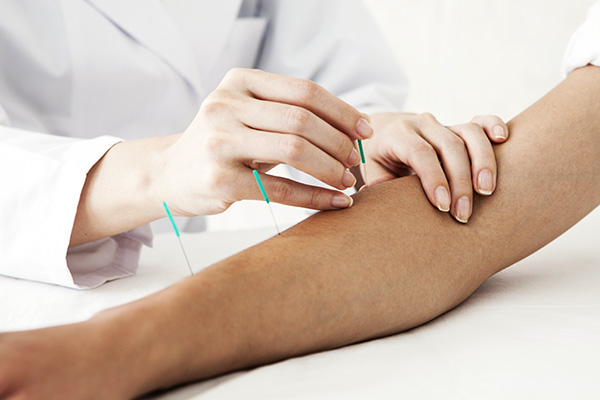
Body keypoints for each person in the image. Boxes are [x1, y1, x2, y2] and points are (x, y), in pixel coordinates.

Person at [0, 0, 508, 289]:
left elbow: (335, 76)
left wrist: (361, 136)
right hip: (28, 278)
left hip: (195, 271)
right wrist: (158, 172)